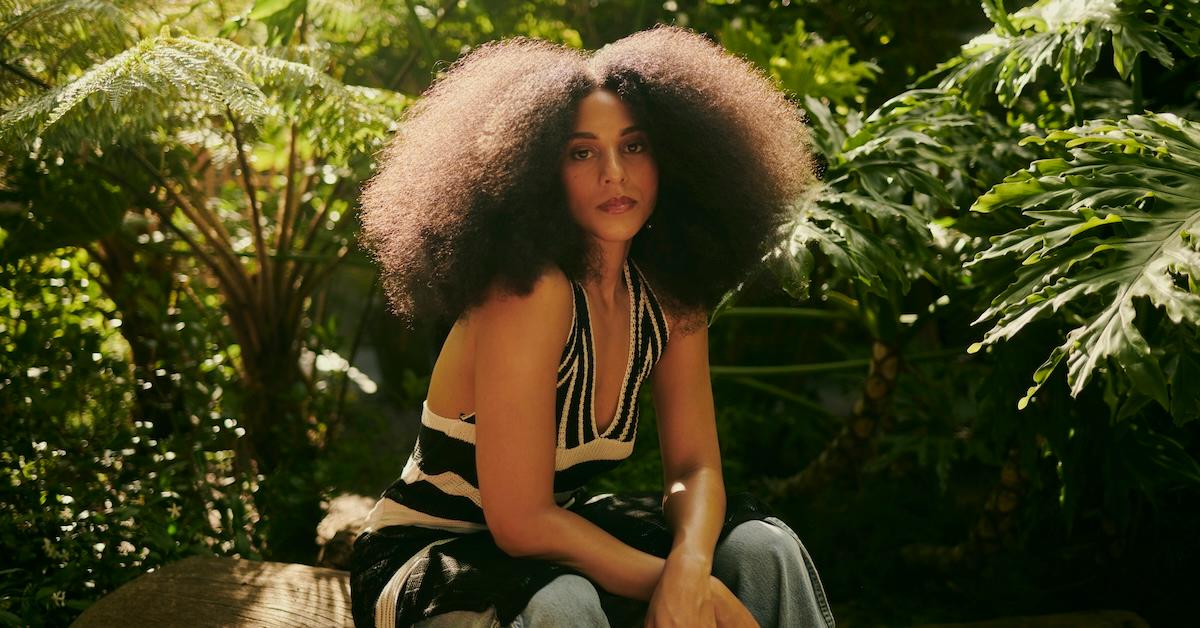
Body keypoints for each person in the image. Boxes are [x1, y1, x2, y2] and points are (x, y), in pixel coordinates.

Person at [350, 23, 834, 628]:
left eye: (634, 146)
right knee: (563, 604)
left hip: (558, 541)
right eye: (581, 153)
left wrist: (689, 566)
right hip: (431, 559)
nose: (614, 173)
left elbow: (694, 470)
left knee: (765, 548)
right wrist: (695, 592)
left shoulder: (667, 293)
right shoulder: (529, 293)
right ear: (536, 173)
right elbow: (521, 523)